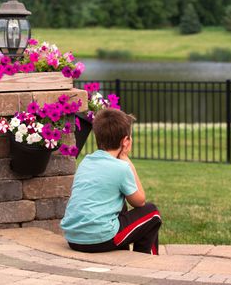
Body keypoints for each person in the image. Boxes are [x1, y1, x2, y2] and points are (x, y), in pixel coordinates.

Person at [60, 108, 162, 254]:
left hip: (74, 239)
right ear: (125, 141)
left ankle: (123, 253)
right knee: (152, 213)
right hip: (98, 240)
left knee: (120, 205)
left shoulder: (86, 161)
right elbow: (140, 202)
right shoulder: (121, 168)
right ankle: (143, 259)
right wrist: (127, 161)